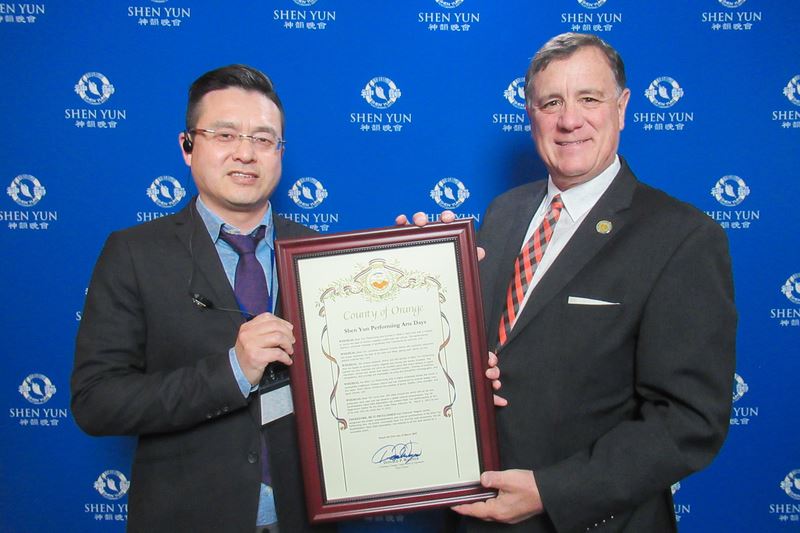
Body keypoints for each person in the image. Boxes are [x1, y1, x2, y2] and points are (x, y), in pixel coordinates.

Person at [445, 33, 736, 532]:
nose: (569, 120)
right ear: (531, 115)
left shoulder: (683, 236)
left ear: (621, 108)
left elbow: (689, 419)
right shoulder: (503, 212)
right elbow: (487, 351)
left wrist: (554, 492)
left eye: (589, 99)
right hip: (478, 513)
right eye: (551, 103)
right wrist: (425, 271)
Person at [71, 65, 335, 532]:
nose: (245, 153)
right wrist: (232, 371)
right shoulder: (134, 253)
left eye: (263, 139)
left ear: (280, 152)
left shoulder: (320, 253)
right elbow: (97, 401)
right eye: (225, 134)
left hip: (306, 519)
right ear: (187, 146)